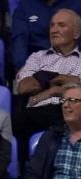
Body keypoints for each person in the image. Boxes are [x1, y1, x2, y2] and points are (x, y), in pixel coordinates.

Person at [22, 83, 81, 179]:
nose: (66, 105)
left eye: (73, 100)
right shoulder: (52, 137)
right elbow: (32, 174)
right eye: (64, 101)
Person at [14, 9, 81, 140]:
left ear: (76, 33)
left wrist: (43, 81)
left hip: (68, 113)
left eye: (61, 25)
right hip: (35, 113)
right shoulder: (37, 57)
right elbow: (24, 87)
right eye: (52, 25)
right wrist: (59, 82)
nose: (54, 30)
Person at [12, 0, 81, 69]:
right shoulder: (25, 7)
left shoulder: (77, 5)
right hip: (36, 65)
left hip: (73, 61)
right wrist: (23, 67)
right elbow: (19, 41)